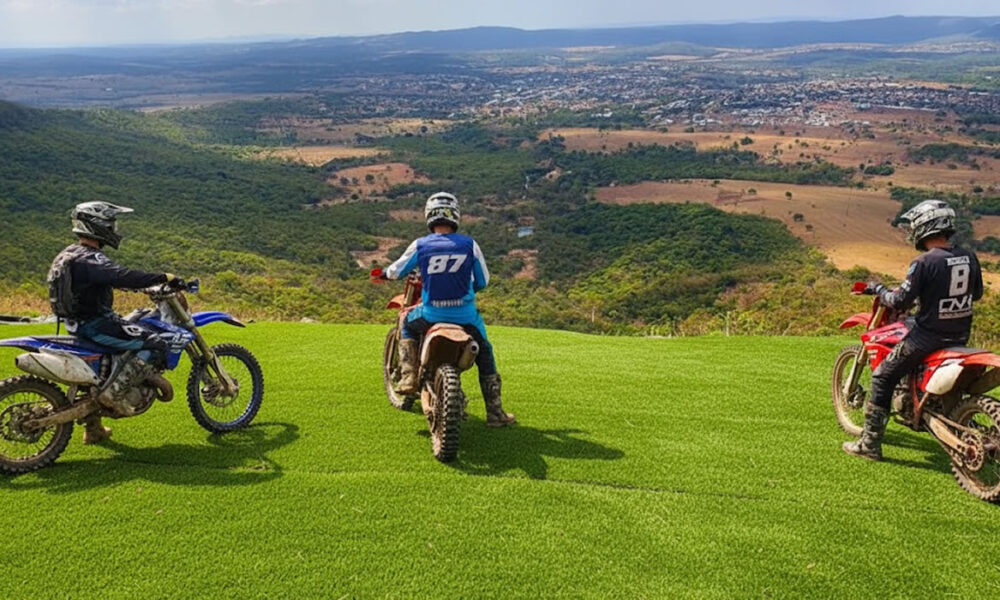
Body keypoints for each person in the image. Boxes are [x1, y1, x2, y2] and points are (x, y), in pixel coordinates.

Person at [844, 199, 983, 460]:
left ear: (923, 227)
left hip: (928, 337)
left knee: (883, 376)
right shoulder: (969, 257)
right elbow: (975, 294)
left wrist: (879, 289)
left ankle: (869, 444)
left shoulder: (923, 262)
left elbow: (899, 301)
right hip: (959, 335)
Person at [48, 201, 185, 444]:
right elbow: (121, 275)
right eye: (111, 224)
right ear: (98, 225)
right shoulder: (91, 258)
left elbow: (100, 281)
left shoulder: (70, 253)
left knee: (102, 368)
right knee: (155, 343)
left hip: (76, 324)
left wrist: (138, 287)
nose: (114, 229)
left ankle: (94, 429)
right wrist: (165, 277)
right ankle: (114, 395)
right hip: (95, 324)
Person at [384, 192, 516, 427]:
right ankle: (495, 412)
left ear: (429, 216)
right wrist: (467, 291)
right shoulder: (470, 245)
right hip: (466, 316)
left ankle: (409, 376)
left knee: (406, 323)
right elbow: (483, 281)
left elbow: (396, 271)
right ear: (455, 216)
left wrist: (384, 274)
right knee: (485, 351)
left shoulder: (421, 245)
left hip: (431, 313)